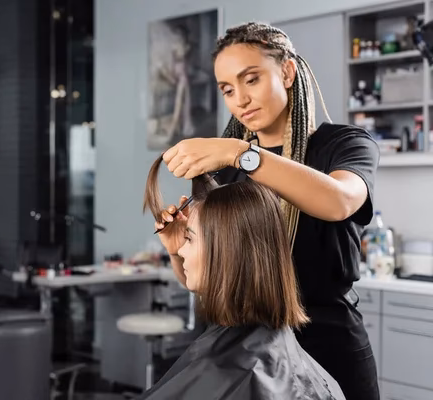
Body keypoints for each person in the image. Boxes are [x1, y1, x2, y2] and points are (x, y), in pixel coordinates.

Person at [155, 22, 380, 400]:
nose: (240, 99)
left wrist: (240, 153)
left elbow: (340, 201)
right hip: (243, 356)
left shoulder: (343, 145)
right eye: (228, 89)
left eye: (251, 79)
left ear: (287, 72)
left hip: (329, 348)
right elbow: (208, 279)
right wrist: (179, 250)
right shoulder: (225, 170)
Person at [141, 159, 345, 399]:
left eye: (190, 239)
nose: (183, 250)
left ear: (229, 253)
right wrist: (176, 251)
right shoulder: (272, 356)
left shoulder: (240, 373)